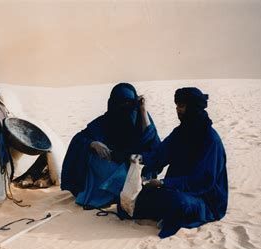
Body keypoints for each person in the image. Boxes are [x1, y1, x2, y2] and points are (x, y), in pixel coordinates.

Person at [121, 87, 228, 238]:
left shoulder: (210, 140)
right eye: (177, 106)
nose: (178, 110)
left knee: (177, 203)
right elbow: (160, 154)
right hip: (174, 189)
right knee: (131, 200)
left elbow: (202, 181)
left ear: (193, 107)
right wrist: (141, 158)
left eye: (182, 106)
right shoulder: (181, 132)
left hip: (204, 199)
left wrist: (164, 183)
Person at [61, 83, 161, 209]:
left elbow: (153, 143)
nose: (124, 107)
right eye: (120, 103)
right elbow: (79, 139)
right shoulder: (106, 121)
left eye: (128, 103)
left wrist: (142, 109)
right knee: (92, 156)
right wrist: (93, 144)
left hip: (138, 170)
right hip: (115, 166)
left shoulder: (140, 117)